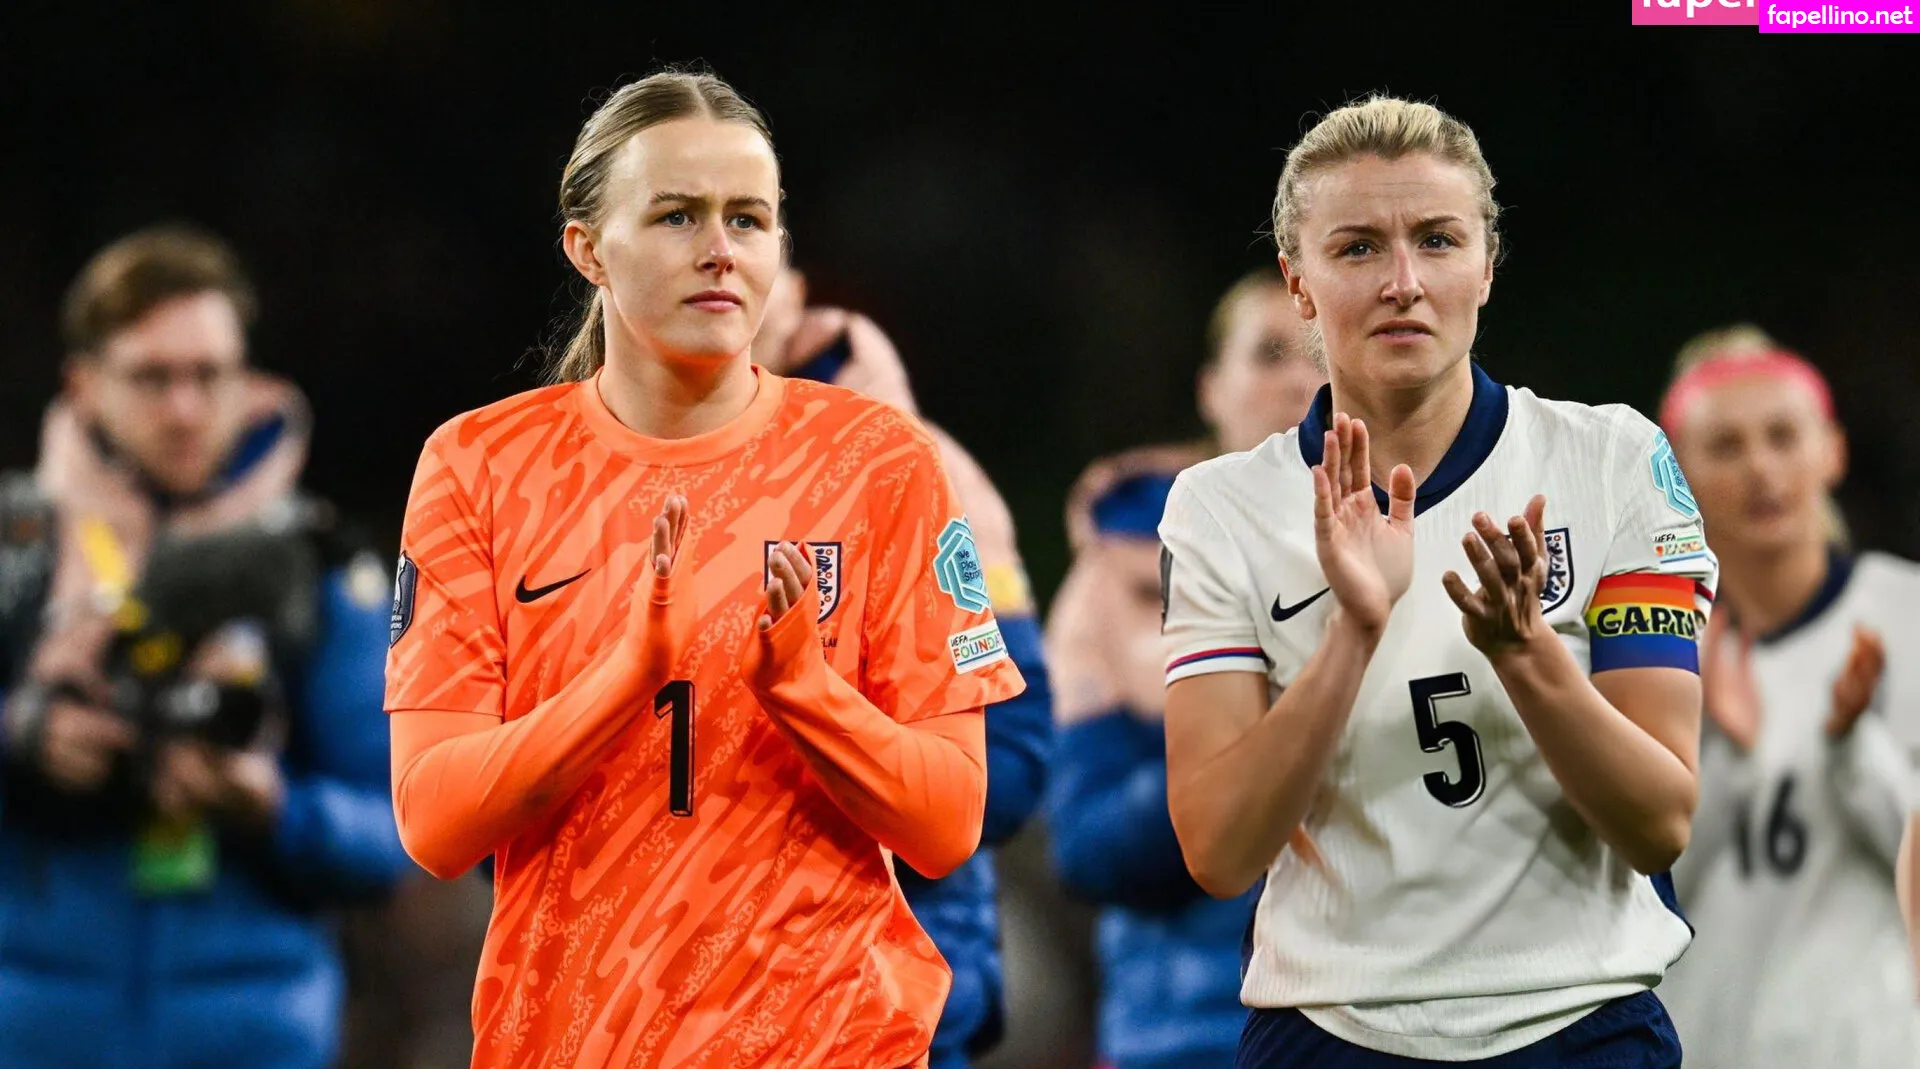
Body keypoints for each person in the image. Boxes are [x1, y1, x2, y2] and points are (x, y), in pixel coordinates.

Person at [385, 70, 1026, 1068]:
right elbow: (432, 820)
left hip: (833, 1044)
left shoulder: (881, 460)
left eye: (749, 218)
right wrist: (622, 680)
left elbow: (950, 822)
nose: (720, 248)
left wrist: (809, 692)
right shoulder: (479, 466)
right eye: (677, 215)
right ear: (587, 248)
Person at [1158, 95, 1718, 1067]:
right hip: (1331, 1028)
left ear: (1487, 264)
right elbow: (1218, 851)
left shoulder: (1616, 461)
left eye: (1438, 239)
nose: (1403, 283)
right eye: (1358, 248)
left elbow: (1659, 822)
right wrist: (1353, 634)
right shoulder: (1220, 508)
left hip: (1578, 1022)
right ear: (1298, 282)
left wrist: (1526, 652)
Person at [0, 226, 413, 1068]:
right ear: (83, 383)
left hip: (249, 1037)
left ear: (246, 379)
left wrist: (272, 807)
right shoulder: (17, 556)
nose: (184, 408)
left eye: (209, 374)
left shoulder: (316, 567)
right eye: (152, 377)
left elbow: (396, 834)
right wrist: (22, 736)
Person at [752, 265, 1054, 1069]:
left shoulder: (932, 476)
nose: (720, 266)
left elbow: (1010, 760)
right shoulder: (592, 483)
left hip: (888, 994)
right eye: (682, 223)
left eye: (748, 227)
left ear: (796, 293)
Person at [1045, 266, 1320, 1069]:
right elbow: (1088, 846)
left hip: (1383, 1032)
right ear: (1211, 390)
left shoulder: (1429, 543)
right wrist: (1258, 744)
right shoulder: (1115, 581)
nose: (1299, 380)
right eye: (1269, 354)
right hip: (1190, 1034)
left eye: (1321, 355)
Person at [1654, 328, 1920, 1067]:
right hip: (1703, 1044)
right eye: (1726, 445)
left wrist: (1850, 742)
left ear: (1833, 449)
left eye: (1782, 436)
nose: (1761, 468)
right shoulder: (1648, 651)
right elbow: (1634, 900)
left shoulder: (1905, 615)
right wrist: (1721, 750)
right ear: (1675, 474)